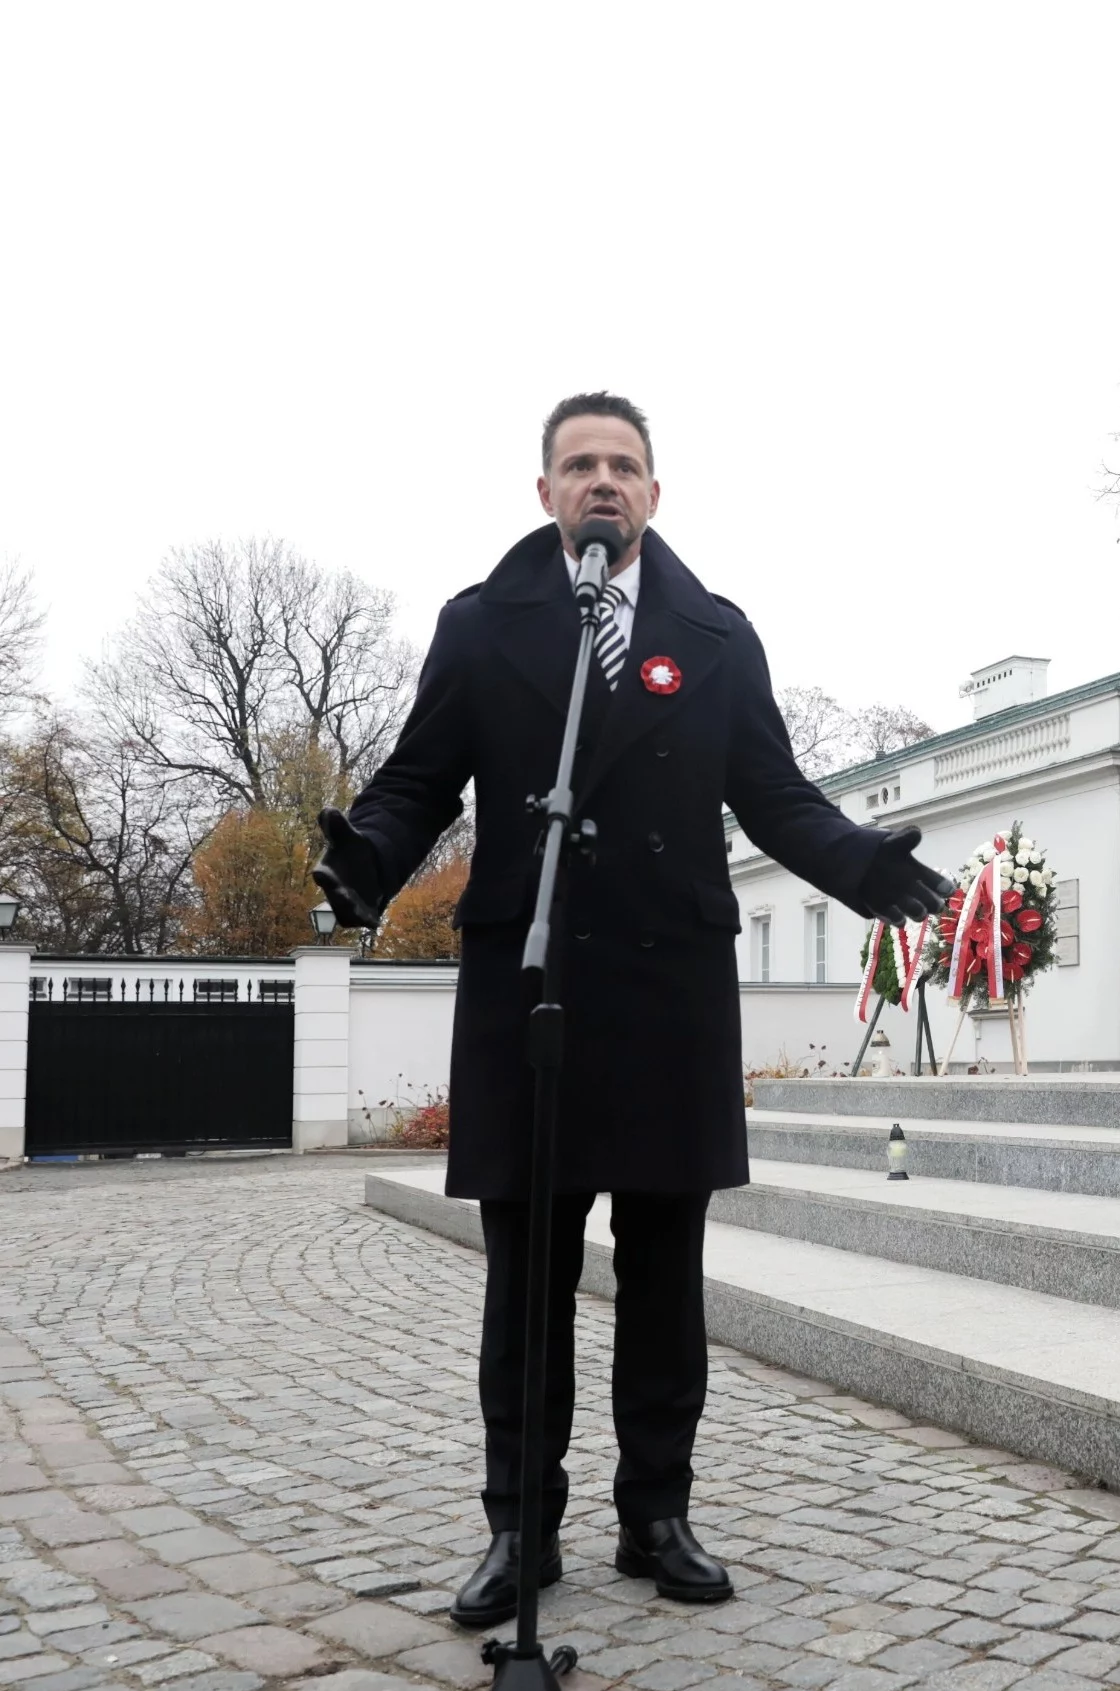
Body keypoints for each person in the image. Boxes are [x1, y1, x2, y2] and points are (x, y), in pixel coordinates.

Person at [312, 392, 949, 1628]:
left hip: (667, 989)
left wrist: (854, 864)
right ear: (544, 492)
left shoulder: (714, 634)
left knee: (666, 1275)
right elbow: (418, 777)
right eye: (579, 465)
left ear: (656, 494)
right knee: (527, 1282)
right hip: (532, 982)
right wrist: (365, 858)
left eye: (624, 465)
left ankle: (657, 1509)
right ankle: (519, 1525)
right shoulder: (483, 625)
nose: (603, 482)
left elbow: (774, 792)